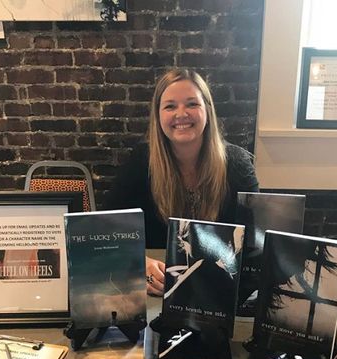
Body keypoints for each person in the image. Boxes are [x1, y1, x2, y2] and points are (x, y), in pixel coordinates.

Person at [108, 68, 259, 296]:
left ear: (208, 110)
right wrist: (138, 261)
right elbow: (107, 227)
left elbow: (255, 245)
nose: (181, 114)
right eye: (170, 106)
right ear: (158, 115)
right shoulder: (141, 161)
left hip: (219, 293)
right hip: (156, 295)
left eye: (192, 104)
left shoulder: (238, 165)